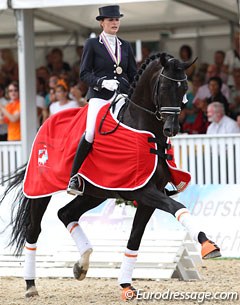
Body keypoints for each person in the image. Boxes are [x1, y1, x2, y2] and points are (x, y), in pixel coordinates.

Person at [67, 5, 137, 195]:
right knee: (90, 132)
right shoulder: (92, 44)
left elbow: (133, 74)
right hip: (100, 96)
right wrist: (101, 82)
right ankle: (74, 177)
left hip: (121, 95)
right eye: (111, 20)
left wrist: (126, 84)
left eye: (117, 20)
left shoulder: (126, 45)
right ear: (102, 22)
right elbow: (84, 73)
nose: (115, 23)